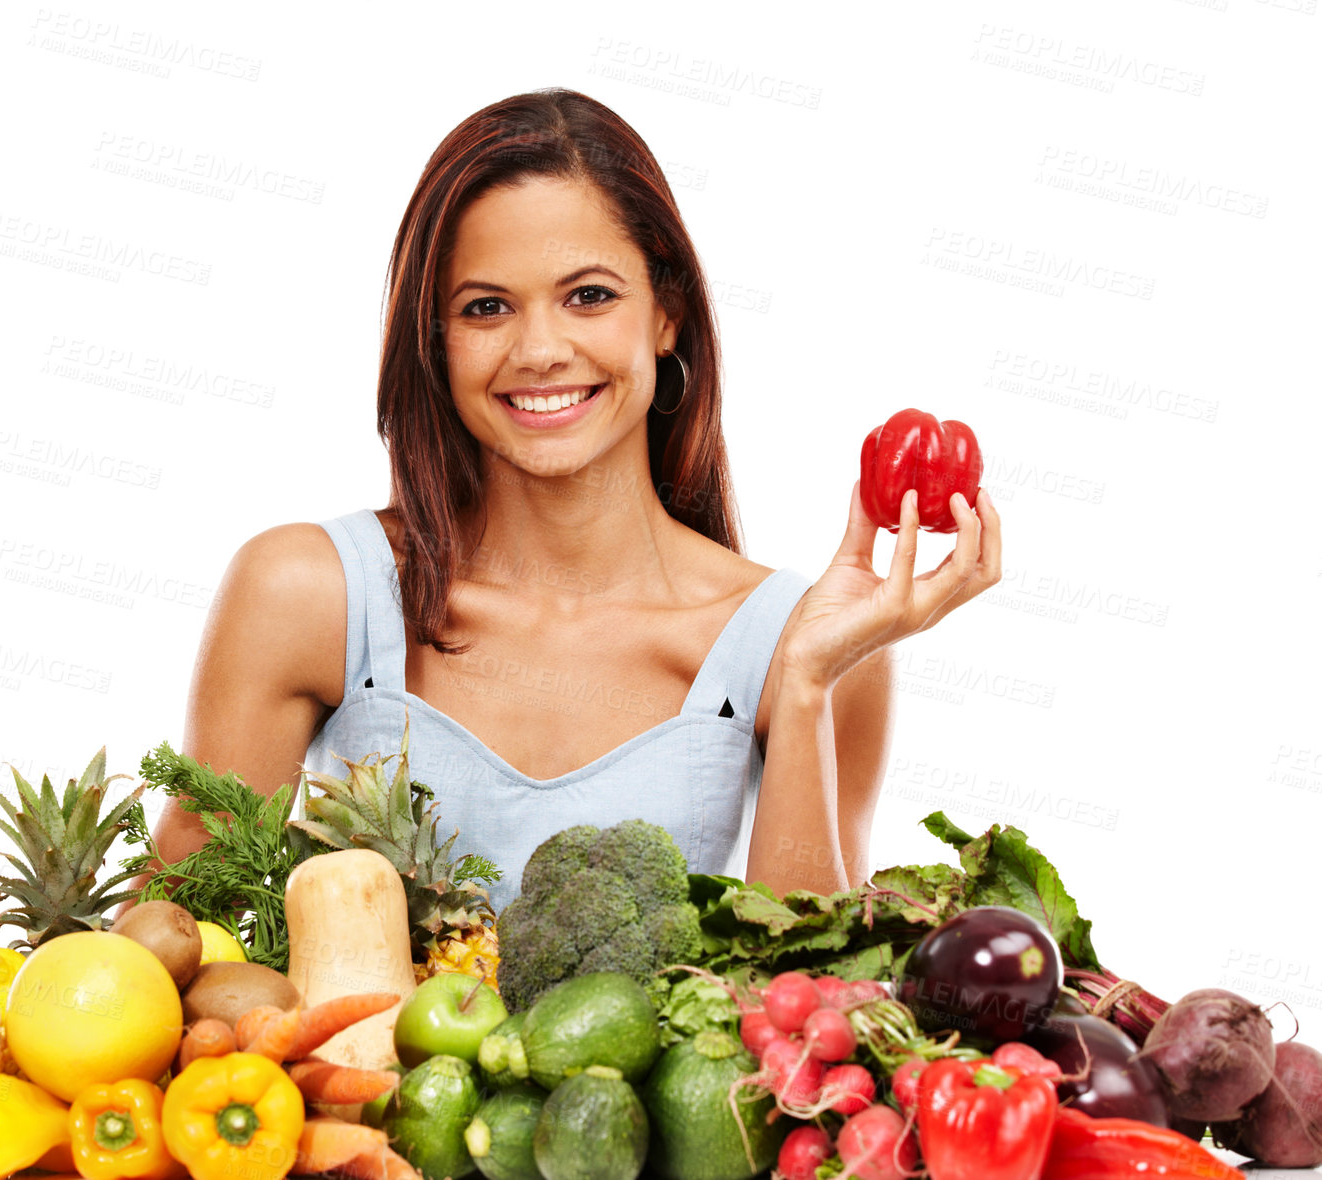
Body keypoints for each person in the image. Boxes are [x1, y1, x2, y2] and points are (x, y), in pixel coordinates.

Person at [147, 87, 1000, 910]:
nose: (539, 349)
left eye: (587, 296)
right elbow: (175, 945)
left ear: (665, 314)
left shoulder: (795, 640)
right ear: (436, 343)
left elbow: (806, 1001)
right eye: (485, 308)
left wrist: (812, 678)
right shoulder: (308, 592)